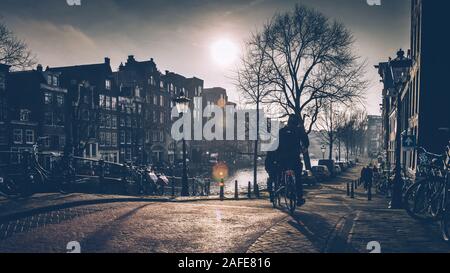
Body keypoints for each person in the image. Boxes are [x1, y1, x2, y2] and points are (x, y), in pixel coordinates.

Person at [276, 114, 307, 206]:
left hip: (283, 159)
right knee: (298, 178)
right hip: (295, 158)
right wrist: (303, 148)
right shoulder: (299, 131)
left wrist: (277, 156)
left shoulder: (281, 131)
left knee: (281, 170)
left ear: (288, 122)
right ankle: (299, 198)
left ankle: (282, 185)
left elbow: (276, 145)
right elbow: (306, 142)